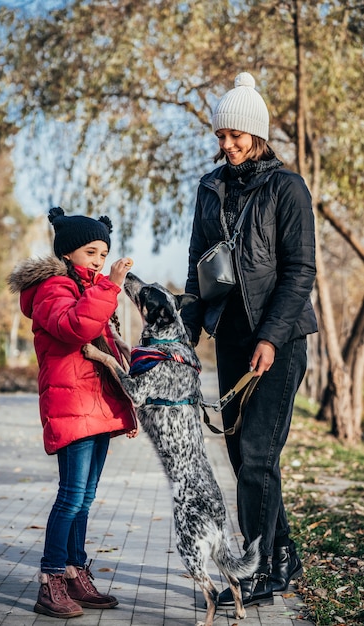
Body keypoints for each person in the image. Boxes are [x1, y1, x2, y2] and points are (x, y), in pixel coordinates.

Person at [182, 72, 318, 608]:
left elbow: (300, 271)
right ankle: (282, 556)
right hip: (232, 338)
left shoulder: (287, 188)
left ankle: (260, 567)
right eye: (220, 134)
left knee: (259, 456)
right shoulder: (210, 189)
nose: (226, 143)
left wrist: (271, 336)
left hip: (279, 343)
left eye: (235, 134)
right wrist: (184, 339)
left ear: (256, 133)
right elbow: (198, 271)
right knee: (242, 458)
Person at [9, 207, 138, 619]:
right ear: (68, 253)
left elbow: (107, 352)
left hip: (95, 405)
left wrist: (127, 405)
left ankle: (74, 570)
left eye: (103, 253)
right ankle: (51, 581)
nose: (100, 261)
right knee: (70, 497)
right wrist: (111, 287)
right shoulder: (53, 288)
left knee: (84, 498)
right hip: (72, 405)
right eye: (91, 252)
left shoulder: (89, 288)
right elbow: (75, 329)